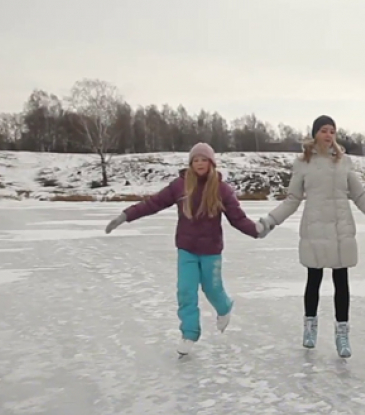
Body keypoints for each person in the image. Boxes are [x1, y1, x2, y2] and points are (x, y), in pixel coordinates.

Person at [104, 142, 263, 356]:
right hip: (186, 248)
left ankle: (224, 307)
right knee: (186, 291)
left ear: (211, 163)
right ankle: (189, 334)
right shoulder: (180, 186)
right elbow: (153, 203)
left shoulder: (222, 189)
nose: (199, 163)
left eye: (203, 160)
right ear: (190, 163)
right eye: (195, 160)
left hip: (211, 250)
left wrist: (257, 230)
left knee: (212, 289)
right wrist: (125, 215)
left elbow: (237, 218)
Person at [257, 115, 365, 358]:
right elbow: (293, 199)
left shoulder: (344, 162)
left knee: (341, 282)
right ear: (315, 134)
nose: (329, 135)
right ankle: (310, 327)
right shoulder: (303, 163)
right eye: (324, 131)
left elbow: (359, 196)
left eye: (332, 131)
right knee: (314, 279)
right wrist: (270, 221)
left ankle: (342, 334)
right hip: (315, 228)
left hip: (341, 229)